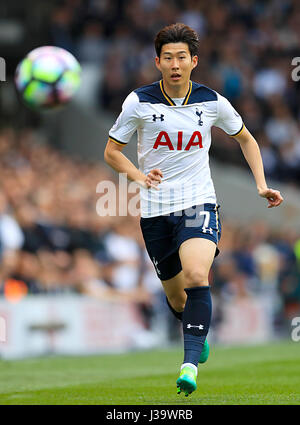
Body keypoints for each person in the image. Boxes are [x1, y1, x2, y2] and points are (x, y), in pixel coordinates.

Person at [104, 23, 283, 396]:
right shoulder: (138, 102)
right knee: (176, 297)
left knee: (197, 275)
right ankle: (195, 333)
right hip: (154, 211)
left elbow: (246, 139)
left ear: (193, 61)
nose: (174, 64)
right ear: (157, 62)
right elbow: (112, 152)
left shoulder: (213, 101)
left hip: (197, 202)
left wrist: (261, 184)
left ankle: (188, 367)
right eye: (167, 57)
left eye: (181, 57)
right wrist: (138, 176)